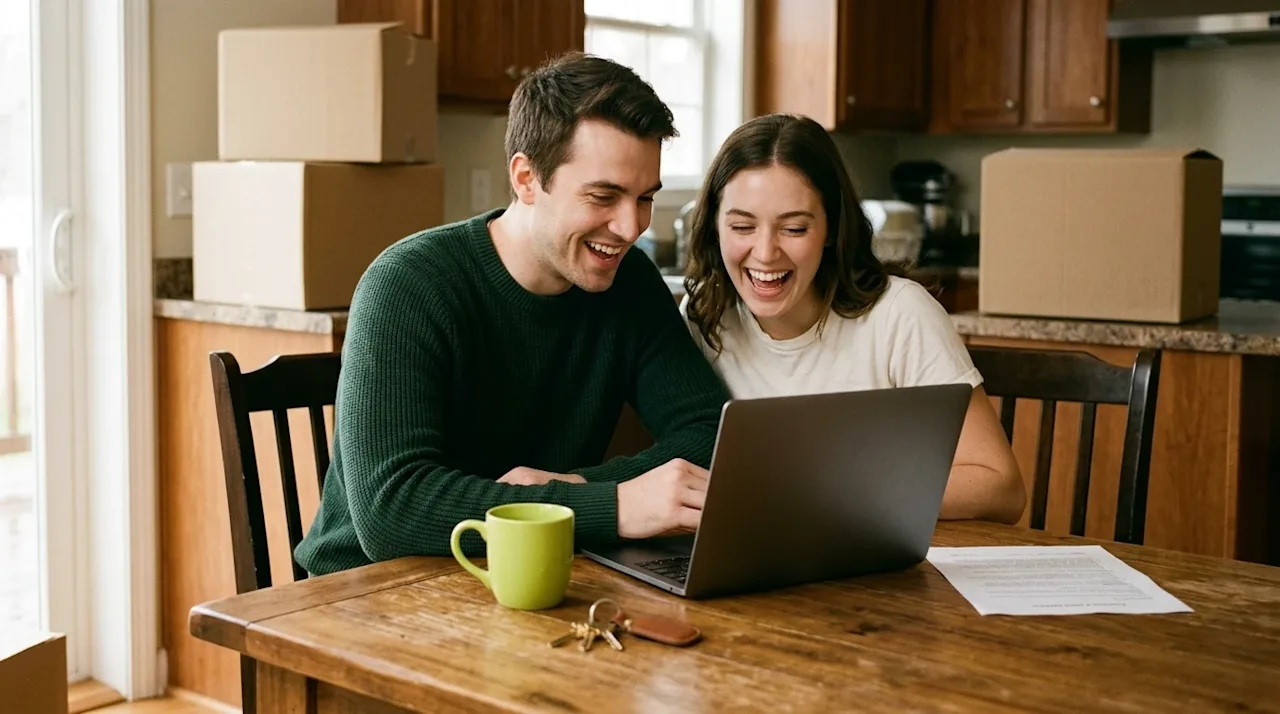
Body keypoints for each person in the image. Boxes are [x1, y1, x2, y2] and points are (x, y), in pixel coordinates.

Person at [294, 53, 731, 576]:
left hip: (531, 571)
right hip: (368, 590)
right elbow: (392, 510)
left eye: (644, 198)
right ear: (526, 178)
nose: (630, 225)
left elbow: (711, 431)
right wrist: (615, 507)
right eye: (603, 196)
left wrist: (584, 491)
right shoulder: (410, 284)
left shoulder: (629, 283)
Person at [679, 113, 1026, 524]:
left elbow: (1001, 486)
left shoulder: (899, 314)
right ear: (714, 227)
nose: (765, 252)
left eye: (793, 228)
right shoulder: (703, 314)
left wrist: (827, 498)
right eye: (741, 226)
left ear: (831, 229)